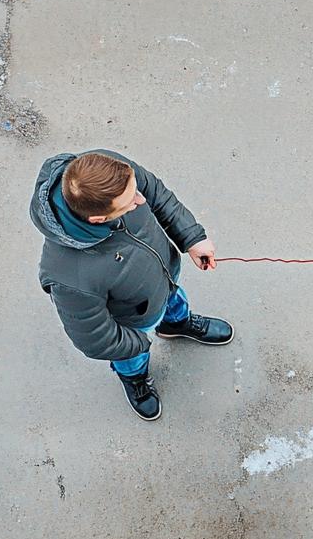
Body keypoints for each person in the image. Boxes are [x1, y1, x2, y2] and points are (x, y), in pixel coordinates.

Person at [29, 150, 233, 420]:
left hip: (164, 278)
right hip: (133, 321)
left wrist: (192, 237)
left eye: (134, 190)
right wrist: (138, 343)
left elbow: (156, 192)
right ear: (99, 220)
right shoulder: (68, 276)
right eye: (129, 202)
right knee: (131, 358)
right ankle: (135, 379)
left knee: (175, 301)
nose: (140, 199)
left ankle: (176, 323)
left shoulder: (108, 171)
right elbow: (95, 337)